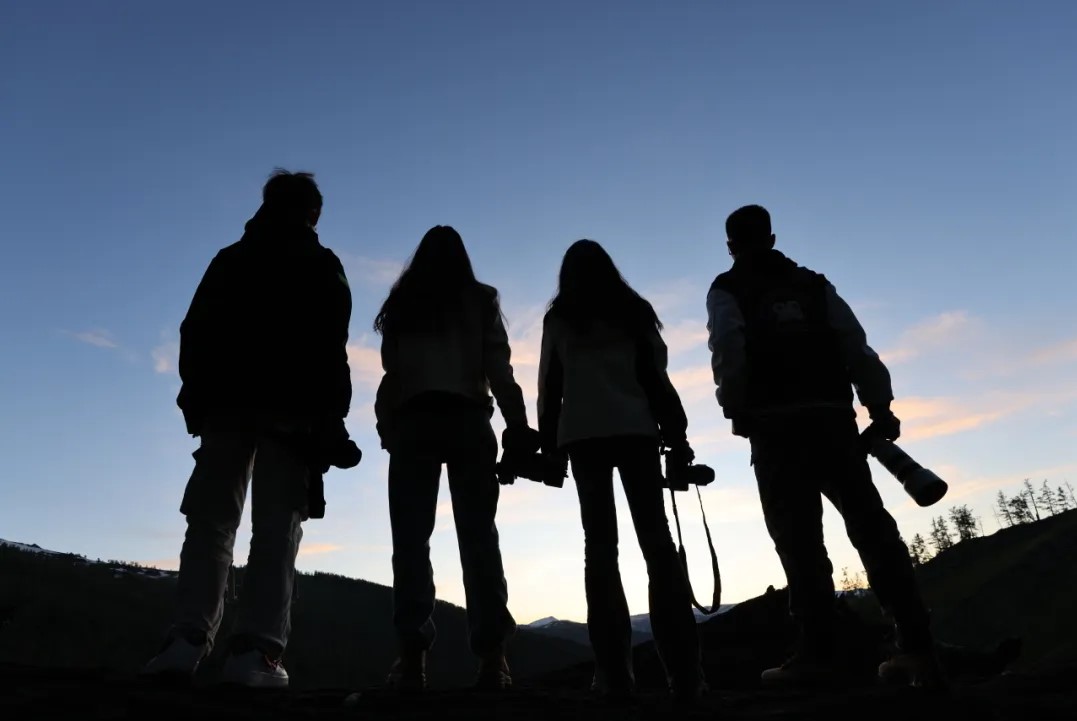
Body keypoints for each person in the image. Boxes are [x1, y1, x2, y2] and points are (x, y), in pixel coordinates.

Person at [705, 204, 944, 687]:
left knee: (799, 542)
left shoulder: (727, 288)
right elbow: (855, 344)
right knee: (873, 529)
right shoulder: (814, 284)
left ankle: (818, 653)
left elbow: (728, 347)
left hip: (775, 429)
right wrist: (879, 406)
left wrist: (735, 408)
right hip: (834, 421)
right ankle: (916, 643)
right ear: (772, 238)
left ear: (730, 246)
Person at [141, 170, 358, 689]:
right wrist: (332, 419)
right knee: (276, 530)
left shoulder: (230, 260)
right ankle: (256, 652)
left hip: (225, 408)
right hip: (292, 414)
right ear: (313, 214)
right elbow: (331, 349)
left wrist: (196, 399)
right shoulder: (322, 265)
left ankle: (186, 641)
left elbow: (194, 331)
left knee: (211, 522)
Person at [538, 240, 706, 703]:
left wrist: (550, 448)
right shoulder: (634, 312)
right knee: (658, 545)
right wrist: (677, 437)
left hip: (582, 437)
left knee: (600, 549)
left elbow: (550, 385)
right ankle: (685, 674)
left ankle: (613, 676)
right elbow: (656, 378)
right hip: (637, 433)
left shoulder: (561, 318)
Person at [373, 225, 530, 692]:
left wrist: (387, 427)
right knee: (479, 540)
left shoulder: (402, 304)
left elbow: (392, 373)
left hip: (414, 422)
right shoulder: (481, 300)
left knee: (410, 542)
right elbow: (498, 368)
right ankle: (492, 660)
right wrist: (517, 425)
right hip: (468, 421)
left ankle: (412, 660)